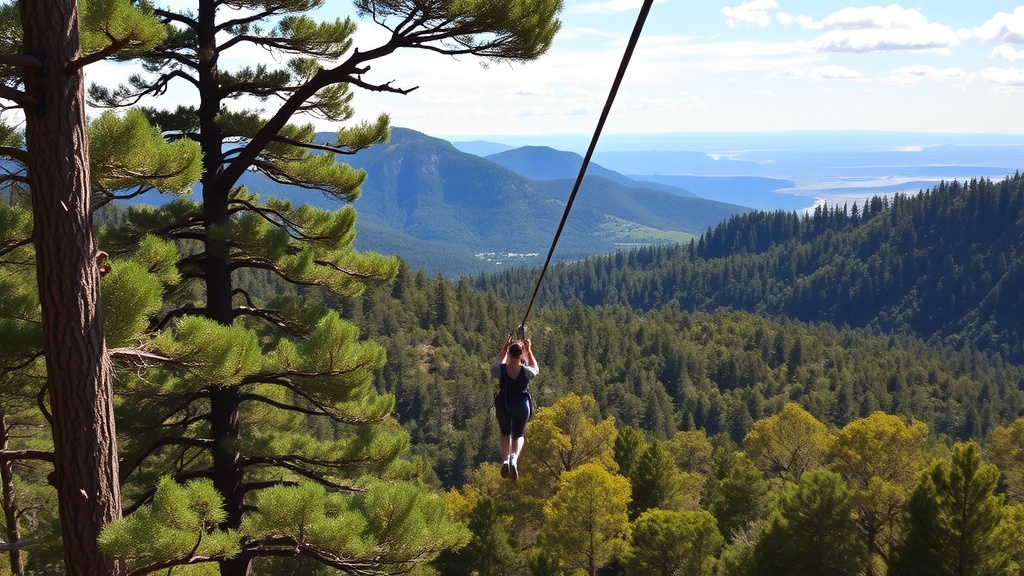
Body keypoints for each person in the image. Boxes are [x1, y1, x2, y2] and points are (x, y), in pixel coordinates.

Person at [492, 334, 538, 480]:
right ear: (520, 355)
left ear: (509, 352)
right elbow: (535, 368)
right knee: (519, 435)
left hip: (503, 404)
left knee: (505, 433)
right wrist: (529, 351)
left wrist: (505, 349)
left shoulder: (501, 370)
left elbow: (496, 365)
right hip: (521, 405)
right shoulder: (526, 371)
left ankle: (505, 459)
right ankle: (514, 459)